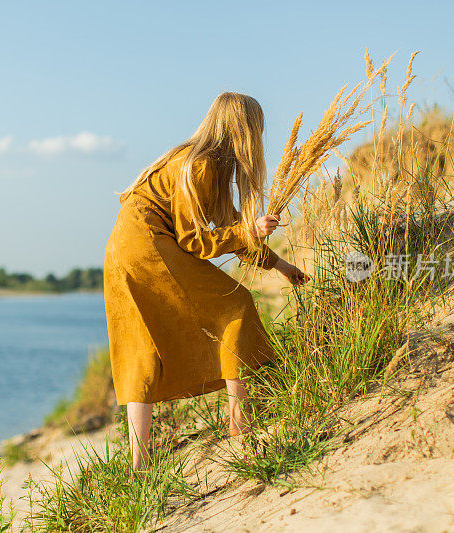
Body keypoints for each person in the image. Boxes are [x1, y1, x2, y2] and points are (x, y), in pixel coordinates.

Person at [103, 92, 308, 470]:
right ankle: (239, 421)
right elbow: (195, 241)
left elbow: (231, 230)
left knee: (142, 346)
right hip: (148, 245)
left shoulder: (202, 163)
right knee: (235, 304)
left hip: (121, 250)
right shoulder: (200, 166)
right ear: (244, 130)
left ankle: (139, 463)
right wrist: (250, 230)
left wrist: (278, 263)